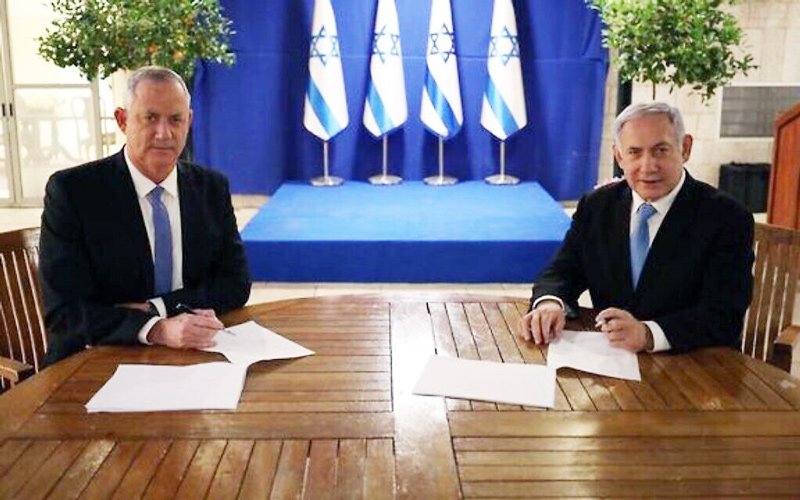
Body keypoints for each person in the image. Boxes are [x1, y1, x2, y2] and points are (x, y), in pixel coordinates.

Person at [39, 65, 251, 365]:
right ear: (123, 120)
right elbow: (65, 314)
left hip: (193, 356)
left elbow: (235, 283)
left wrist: (158, 309)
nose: (164, 133)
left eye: (175, 119)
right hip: (93, 359)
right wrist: (157, 330)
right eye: (150, 118)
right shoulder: (74, 193)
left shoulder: (211, 188)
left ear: (188, 122)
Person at [518, 102, 754, 353]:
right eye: (634, 152)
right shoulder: (596, 206)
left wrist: (648, 334)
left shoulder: (727, 217)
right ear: (619, 157)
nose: (648, 166)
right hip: (610, 364)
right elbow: (562, 271)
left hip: (694, 365)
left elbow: (724, 316)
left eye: (660, 150)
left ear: (685, 148)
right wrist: (550, 303)